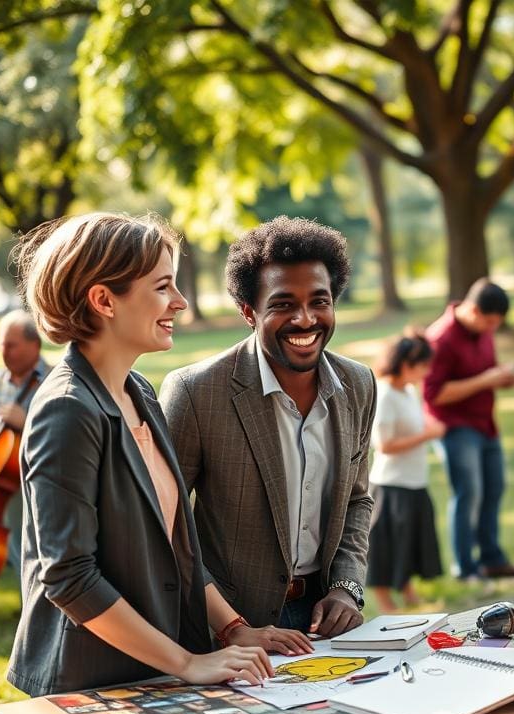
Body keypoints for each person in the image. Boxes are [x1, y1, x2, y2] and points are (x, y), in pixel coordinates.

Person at [7, 212, 311, 697]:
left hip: (153, 673)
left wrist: (233, 628)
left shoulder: (140, 393)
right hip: (89, 685)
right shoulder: (66, 410)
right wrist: (188, 663)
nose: (181, 301)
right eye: (163, 287)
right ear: (104, 299)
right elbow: (69, 578)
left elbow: (179, 548)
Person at [160, 216, 375, 637]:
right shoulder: (195, 392)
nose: (305, 319)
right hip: (221, 629)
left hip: (323, 622)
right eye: (282, 304)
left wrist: (347, 589)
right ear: (248, 312)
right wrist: (229, 626)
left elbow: (357, 500)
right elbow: (164, 526)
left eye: (319, 301)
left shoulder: (358, 384)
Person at [424, 279, 514, 580]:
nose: (492, 329)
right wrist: (487, 380)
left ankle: (492, 558)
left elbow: (486, 372)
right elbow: (434, 394)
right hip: (456, 427)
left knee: (494, 489)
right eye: (489, 322)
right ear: (471, 309)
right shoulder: (441, 338)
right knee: (468, 492)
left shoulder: (483, 332)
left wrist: (501, 379)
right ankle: (465, 567)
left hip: (486, 424)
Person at [367, 332, 444, 612]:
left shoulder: (409, 391)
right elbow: (384, 445)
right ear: (407, 364)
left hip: (414, 481)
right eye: (423, 365)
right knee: (387, 546)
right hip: (391, 484)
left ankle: (409, 591)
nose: (427, 371)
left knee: (410, 540)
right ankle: (385, 600)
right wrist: (427, 436)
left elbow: (421, 420)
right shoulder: (385, 394)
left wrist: (430, 426)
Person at [0, 310, 50, 577]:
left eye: (11, 345)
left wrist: (26, 422)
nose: (4, 352)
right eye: (0, 344)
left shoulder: (52, 381)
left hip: (38, 474)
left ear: (34, 344)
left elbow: (61, 436)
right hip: (0, 474)